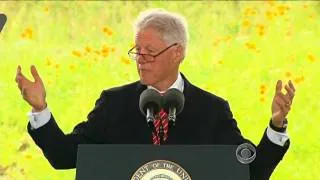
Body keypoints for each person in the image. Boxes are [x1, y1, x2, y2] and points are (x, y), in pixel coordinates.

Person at [15, 9, 295, 180]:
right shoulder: (114, 104)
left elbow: (249, 172)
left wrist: (276, 125)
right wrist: (40, 109)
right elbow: (65, 157)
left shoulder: (211, 110)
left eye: (150, 52)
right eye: (137, 51)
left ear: (177, 53)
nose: (141, 59)